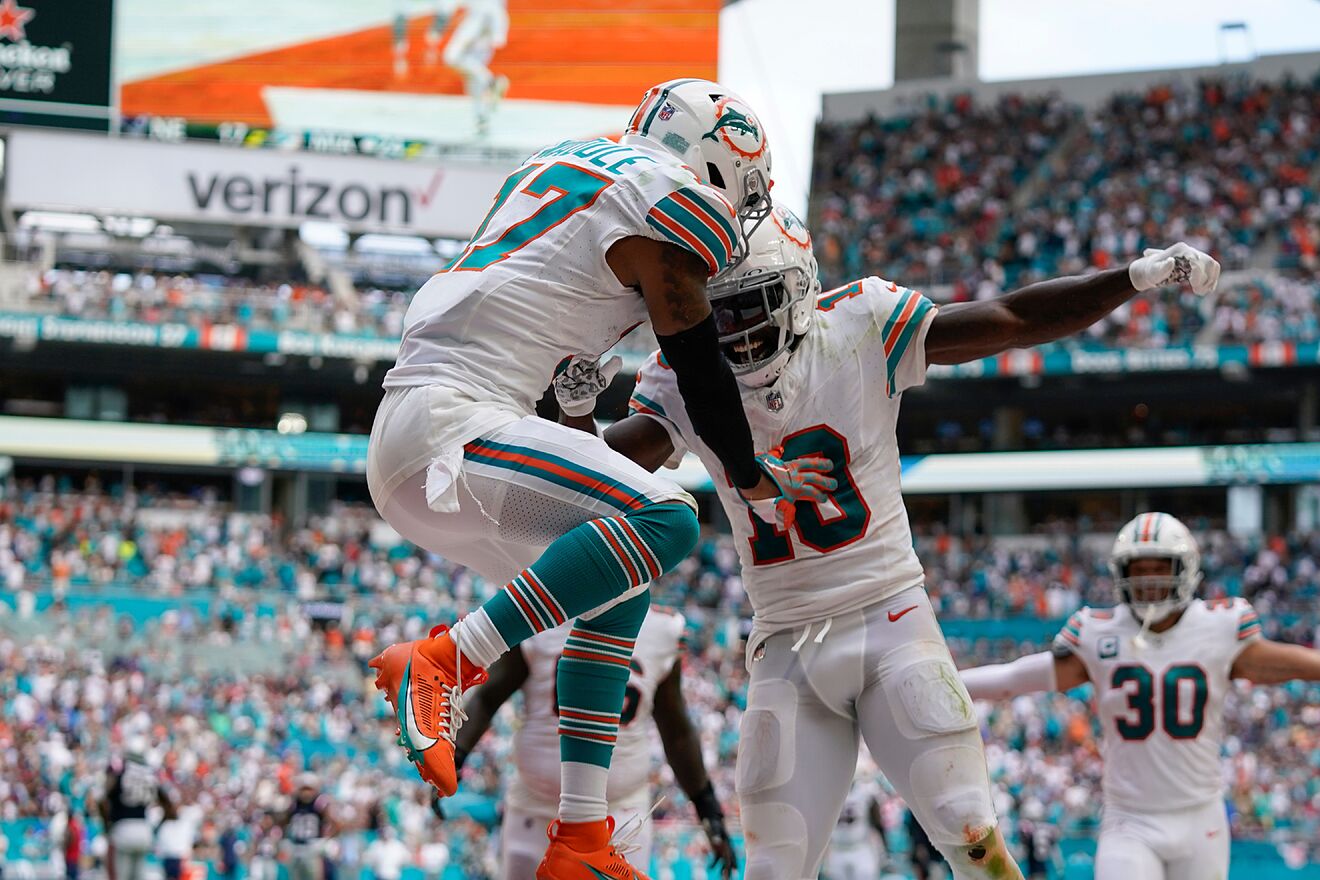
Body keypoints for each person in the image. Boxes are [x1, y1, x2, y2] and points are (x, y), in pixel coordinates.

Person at [552, 203, 1221, 879]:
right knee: (773, 868)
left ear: (798, 290)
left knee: (973, 840)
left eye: (752, 305)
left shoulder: (860, 324)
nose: (738, 330)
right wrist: (574, 407)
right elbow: (599, 478)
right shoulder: (681, 378)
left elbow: (1014, 319)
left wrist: (1127, 279)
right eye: (718, 313)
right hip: (784, 642)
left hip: (889, 618)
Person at [365, 78, 823, 880]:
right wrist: (747, 475)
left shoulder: (563, 165)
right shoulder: (670, 194)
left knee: (621, 577)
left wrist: (575, 388)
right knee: (670, 520)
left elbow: (538, 340)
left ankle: (581, 836)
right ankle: (446, 659)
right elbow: (695, 355)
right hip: (450, 423)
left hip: (427, 430)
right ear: (718, 162)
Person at [959, 511, 1320, 880]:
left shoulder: (1219, 626)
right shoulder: (1098, 632)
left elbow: (1287, 663)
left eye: (1160, 568)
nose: (1149, 581)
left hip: (1200, 817)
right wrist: (949, 682)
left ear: (1185, 569)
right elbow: (1015, 678)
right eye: (1138, 569)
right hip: (1130, 819)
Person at [446, 606, 737, 879]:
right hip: (536, 806)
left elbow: (676, 728)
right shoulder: (541, 614)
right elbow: (488, 697)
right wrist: (455, 756)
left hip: (619, 813)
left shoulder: (662, 628)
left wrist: (707, 806)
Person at [98, 737, 176, 880]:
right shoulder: (150, 776)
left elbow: (102, 801)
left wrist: (107, 826)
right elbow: (170, 807)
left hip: (122, 830)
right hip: (144, 831)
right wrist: (156, 828)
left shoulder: (120, 775)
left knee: (120, 876)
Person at [824, 777, 886, 880]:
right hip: (837, 848)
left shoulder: (866, 791)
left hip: (860, 847)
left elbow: (877, 821)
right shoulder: (826, 793)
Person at [281, 775, 337, 880]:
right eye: (303, 789)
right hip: (296, 847)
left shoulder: (319, 803)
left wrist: (326, 839)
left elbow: (334, 823)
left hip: (313, 847)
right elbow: (283, 822)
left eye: (309, 789)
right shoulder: (294, 804)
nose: (306, 793)